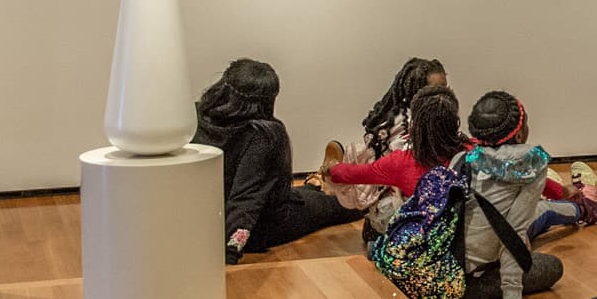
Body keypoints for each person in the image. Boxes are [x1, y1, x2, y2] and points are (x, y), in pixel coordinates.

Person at [195, 59, 368, 263]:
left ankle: (317, 183)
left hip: (204, 223)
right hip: (260, 228)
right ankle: (359, 193)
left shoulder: (197, 115)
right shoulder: (264, 135)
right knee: (341, 204)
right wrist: (230, 252)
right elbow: (246, 198)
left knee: (302, 195)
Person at [452, 91, 591, 299]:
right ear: (518, 136)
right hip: (470, 279)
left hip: (441, 267)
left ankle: (582, 207)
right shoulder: (532, 162)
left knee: (539, 213)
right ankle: (585, 207)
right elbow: (513, 233)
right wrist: (512, 297)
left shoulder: (461, 159)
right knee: (552, 265)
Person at [334, 57, 448, 223]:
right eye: (436, 92)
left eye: (445, 89)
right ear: (415, 93)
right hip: (398, 199)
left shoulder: (435, 118)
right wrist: (333, 171)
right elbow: (406, 174)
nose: (443, 97)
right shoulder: (403, 129)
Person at [324, 85, 472, 203]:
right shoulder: (474, 153)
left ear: (415, 125)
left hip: (424, 236)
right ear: (455, 121)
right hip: (464, 234)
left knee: (386, 200)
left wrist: (333, 169)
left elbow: (356, 174)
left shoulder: (400, 163)